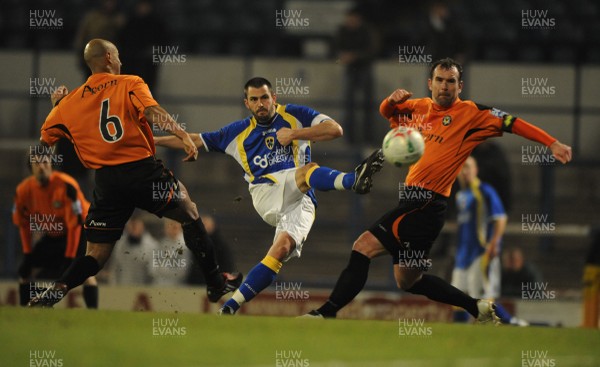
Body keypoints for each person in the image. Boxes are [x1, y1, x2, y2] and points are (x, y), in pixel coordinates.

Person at [303, 57, 572, 322]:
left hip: (424, 202)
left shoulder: (472, 114)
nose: (445, 86)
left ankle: (325, 312)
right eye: (440, 80)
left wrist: (552, 143)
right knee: (408, 280)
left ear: (460, 86)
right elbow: (388, 112)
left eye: (451, 81)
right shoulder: (419, 107)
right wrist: (390, 101)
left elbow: (513, 123)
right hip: (420, 205)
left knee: (363, 246)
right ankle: (475, 307)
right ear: (430, 83)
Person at [28, 39, 241, 307]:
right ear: (107, 57)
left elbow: (45, 142)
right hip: (142, 171)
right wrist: (181, 133)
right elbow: (152, 112)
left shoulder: (67, 103)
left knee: (95, 255)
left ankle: (57, 290)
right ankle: (215, 283)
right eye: (117, 55)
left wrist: (56, 106)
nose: (121, 60)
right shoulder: (130, 82)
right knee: (189, 212)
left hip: (106, 182)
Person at [154, 77, 385, 314]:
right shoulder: (237, 132)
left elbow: (335, 129)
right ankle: (352, 181)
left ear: (274, 97)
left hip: (302, 201)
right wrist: (154, 141)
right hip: (266, 194)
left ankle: (230, 306)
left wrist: (296, 133)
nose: (260, 103)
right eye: (254, 99)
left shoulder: (295, 115)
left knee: (281, 249)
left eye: (264, 97)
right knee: (307, 171)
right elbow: (193, 139)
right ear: (247, 103)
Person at [13, 149, 98, 308]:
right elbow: (23, 224)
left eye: (45, 162)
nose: (41, 167)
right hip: (55, 233)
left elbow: (74, 225)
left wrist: (69, 257)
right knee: (25, 271)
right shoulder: (23, 191)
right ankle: (24, 310)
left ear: (52, 165)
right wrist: (27, 253)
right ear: (30, 168)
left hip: (81, 229)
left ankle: (93, 313)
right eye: (37, 163)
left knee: (84, 271)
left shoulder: (66, 186)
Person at [451, 156, 526, 325]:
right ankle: (458, 337)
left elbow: (500, 218)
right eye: (461, 168)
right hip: (462, 256)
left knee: (483, 300)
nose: (464, 172)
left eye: (468, 167)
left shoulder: (484, 191)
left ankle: (511, 322)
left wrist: (493, 244)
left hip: (481, 253)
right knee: (456, 299)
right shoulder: (461, 195)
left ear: (476, 170)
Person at [336, 7, 379, 145]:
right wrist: (342, 56)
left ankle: (368, 138)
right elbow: (335, 48)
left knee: (367, 106)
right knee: (349, 106)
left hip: (364, 69)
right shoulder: (342, 31)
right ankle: (350, 139)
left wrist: (354, 56)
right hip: (350, 70)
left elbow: (372, 51)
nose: (351, 21)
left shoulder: (367, 31)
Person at [105, 216, 157, 285]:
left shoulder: (152, 246)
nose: (134, 228)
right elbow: (114, 269)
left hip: (143, 289)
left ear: (142, 226)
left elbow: (154, 274)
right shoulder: (119, 245)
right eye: (131, 225)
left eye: (136, 225)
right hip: (123, 287)